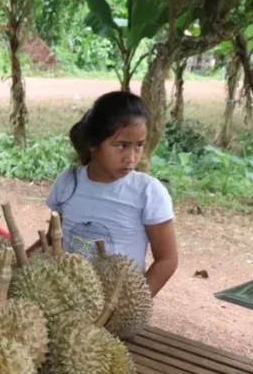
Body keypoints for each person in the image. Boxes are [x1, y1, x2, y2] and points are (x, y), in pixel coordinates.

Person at [29, 90, 178, 297]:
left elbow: (167, 259)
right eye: (121, 146)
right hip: (66, 298)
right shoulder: (69, 181)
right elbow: (54, 239)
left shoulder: (148, 192)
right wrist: (18, 264)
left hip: (119, 302)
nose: (131, 157)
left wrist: (133, 305)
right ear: (93, 144)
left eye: (139, 146)